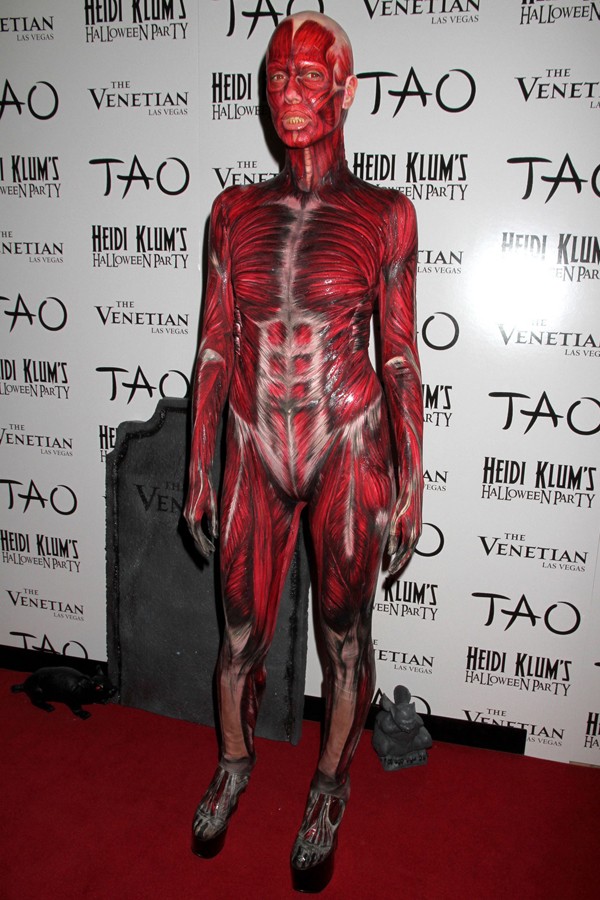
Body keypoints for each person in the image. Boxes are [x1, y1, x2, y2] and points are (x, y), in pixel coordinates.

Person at [184, 10, 423, 892]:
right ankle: (234, 762)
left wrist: (413, 474)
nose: (289, 92)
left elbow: (398, 354)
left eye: (310, 76)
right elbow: (215, 345)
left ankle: (329, 787)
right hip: (254, 438)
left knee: (345, 635)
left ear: (346, 90)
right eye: (278, 76)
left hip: (346, 439)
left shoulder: (386, 214)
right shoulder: (230, 212)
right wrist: (199, 463)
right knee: (237, 630)